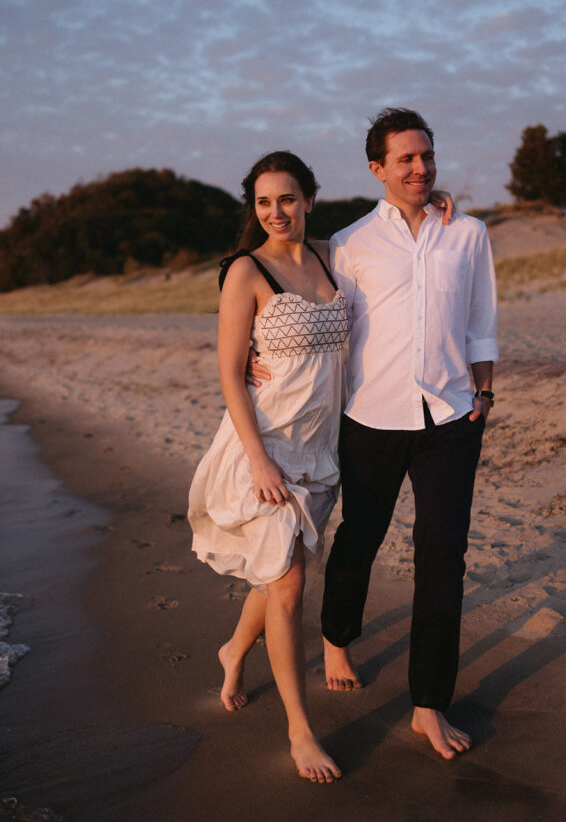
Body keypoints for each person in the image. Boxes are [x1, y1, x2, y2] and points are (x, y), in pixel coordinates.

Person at [320, 107, 498, 761]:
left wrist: (484, 391)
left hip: (451, 419)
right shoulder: (350, 242)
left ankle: (428, 703)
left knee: (441, 561)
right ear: (377, 169)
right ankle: (336, 633)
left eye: (426, 156)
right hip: (371, 417)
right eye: (406, 159)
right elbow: (331, 333)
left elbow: (481, 320)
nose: (421, 167)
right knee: (359, 538)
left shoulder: (468, 234)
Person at [188, 151, 349, 783]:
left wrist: (438, 204)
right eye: (263, 202)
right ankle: (300, 732)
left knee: (277, 571)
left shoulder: (335, 257)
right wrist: (258, 460)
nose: (275, 212)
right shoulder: (246, 272)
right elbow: (230, 372)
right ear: (253, 209)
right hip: (266, 446)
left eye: (286, 198)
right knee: (288, 584)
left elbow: (393, 230)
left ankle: (233, 649)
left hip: (322, 447)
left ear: (309, 198)